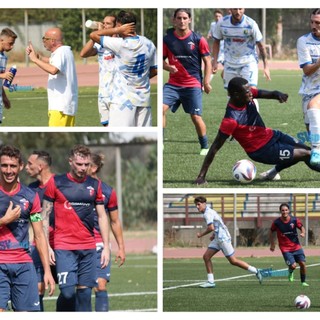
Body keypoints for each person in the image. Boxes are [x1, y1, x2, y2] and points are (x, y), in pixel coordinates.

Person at [194, 77, 320, 185]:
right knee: (306, 154)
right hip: (262, 150)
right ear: (237, 95)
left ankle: (272, 173)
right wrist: (201, 176)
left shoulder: (245, 95)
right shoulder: (231, 120)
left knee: (306, 150)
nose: (251, 94)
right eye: (247, 92)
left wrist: (278, 94)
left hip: (272, 135)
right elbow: (215, 147)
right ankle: (273, 172)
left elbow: (266, 93)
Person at [41, 145, 110, 312]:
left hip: (88, 247)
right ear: (70, 161)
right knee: (67, 293)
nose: (83, 168)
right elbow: (44, 216)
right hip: (64, 247)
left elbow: (102, 216)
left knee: (85, 295)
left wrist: (107, 247)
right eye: (79, 164)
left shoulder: (95, 184)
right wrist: (47, 246)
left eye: (86, 164)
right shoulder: (56, 182)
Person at [0, 145, 55, 311]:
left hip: (24, 265)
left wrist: (47, 271)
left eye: (13, 166)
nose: (8, 170)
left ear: (20, 166)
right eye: (4, 165)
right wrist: (4, 220)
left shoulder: (31, 197)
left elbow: (39, 235)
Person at [90, 11, 157, 127]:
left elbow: (94, 35)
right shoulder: (149, 43)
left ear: (121, 26)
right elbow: (155, 69)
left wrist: (116, 31)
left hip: (122, 101)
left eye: (117, 26)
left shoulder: (120, 44)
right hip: (143, 99)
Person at [163, 8, 212, 156]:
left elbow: (208, 62)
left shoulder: (198, 39)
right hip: (173, 85)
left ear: (189, 20)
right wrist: (168, 67)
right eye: (179, 18)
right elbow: (161, 61)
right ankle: (161, 143)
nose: (182, 21)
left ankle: (204, 146)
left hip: (193, 85)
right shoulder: (167, 39)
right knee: (160, 110)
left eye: (185, 18)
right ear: (174, 20)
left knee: (196, 117)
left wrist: (207, 82)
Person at [194, 196, 263, 288]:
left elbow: (211, 227)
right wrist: (214, 235)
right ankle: (211, 282)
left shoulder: (207, 213)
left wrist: (201, 235)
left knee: (233, 261)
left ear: (204, 204)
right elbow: (219, 224)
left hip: (223, 239)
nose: (197, 207)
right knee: (206, 257)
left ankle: (256, 271)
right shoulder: (209, 211)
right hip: (218, 238)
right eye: (196, 205)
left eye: (198, 204)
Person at [212, 8, 271, 111]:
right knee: (232, 94)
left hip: (248, 62)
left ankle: (253, 121)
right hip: (229, 64)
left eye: (240, 8)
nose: (238, 12)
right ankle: (235, 120)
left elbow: (261, 45)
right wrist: (215, 61)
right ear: (230, 9)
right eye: (235, 8)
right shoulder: (222, 23)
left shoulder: (251, 24)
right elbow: (216, 41)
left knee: (250, 92)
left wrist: (266, 66)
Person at [88, 152, 125, 311]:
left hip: (99, 244)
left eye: (86, 164)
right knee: (80, 288)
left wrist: (121, 248)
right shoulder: (73, 189)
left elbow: (115, 221)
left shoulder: (108, 191)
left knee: (100, 285)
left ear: (94, 168)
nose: (81, 167)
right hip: (77, 244)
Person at [26, 27, 78, 127]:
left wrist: (35, 60)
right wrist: (39, 57)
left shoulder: (60, 52)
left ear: (53, 41)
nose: (43, 41)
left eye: (45, 39)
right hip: (66, 106)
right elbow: (52, 61)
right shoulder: (65, 51)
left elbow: (53, 70)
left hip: (60, 108)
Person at [25, 150, 56, 311]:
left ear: (41, 166)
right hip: (39, 245)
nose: (26, 167)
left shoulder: (59, 184)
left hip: (61, 244)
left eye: (30, 164)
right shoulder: (31, 189)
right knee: (37, 288)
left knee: (69, 289)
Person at [80, 15, 117, 127]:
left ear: (116, 26)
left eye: (108, 23)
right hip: (103, 92)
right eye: (103, 23)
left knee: (117, 125)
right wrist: (96, 35)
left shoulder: (119, 41)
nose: (104, 25)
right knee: (106, 125)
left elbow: (114, 44)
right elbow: (83, 54)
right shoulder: (100, 43)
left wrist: (101, 34)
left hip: (117, 93)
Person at [297, 9, 320, 165]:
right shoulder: (303, 41)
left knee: (313, 106)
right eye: (312, 22)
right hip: (308, 90)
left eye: (317, 23)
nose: (314, 25)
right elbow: (307, 70)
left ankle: (317, 150)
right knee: (312, 133)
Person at [269, 203, 309, 287]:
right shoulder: (276, 222)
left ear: (289, 210)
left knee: (302, 263)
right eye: (283, 210)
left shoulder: (294, 220)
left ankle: (303, 282)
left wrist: (303, 233)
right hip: (285, 248)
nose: (284, 212)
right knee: (293, 266)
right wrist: (272, 244)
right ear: (280, 211)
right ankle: (290, 272)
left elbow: (302, 227)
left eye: (286, 210)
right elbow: (271, 231)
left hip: (296, 246)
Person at [0, 28, 17, 124]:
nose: (12, 46)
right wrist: (3, 75)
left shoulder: (4, 57)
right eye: (10, 43)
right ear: (1, 40)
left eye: (13, 44)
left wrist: (4, 96)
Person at [207, 9, 224, 79]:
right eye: (216, 16)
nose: (218, 18)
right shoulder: (213, 24)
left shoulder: (224, 25)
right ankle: (205, 85)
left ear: (222, 17)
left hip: (224, 51)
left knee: (229, 70)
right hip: (217, 50)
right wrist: (208, 35)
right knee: (211, 68)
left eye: (219, 16)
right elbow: (210, 33)